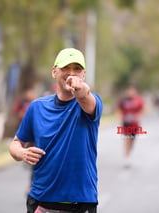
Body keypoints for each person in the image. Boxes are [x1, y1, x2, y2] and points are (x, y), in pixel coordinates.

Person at [9, 48, 103, 213]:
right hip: (41, 202)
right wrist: (22, 153)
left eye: (77, 69)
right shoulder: (37, 107)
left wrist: (79, 88)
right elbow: (15, 144)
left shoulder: (90, 103)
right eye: (66, 68)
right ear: (54, 72)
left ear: (83, 74)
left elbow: (84, 95)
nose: (71, 73)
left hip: (80, 203)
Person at [116, 85, 144, 168]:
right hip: (126, 123)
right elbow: (118, 108)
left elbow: (142, 109)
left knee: (132, 140)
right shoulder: (123, 100)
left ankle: (129, 153)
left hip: (134, 123)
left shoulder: (138, 100)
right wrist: (121, 116)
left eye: (132, 91)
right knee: (127, 139)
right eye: (129, 91)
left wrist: (138, 116)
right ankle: (126, 157)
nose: (131, 93)